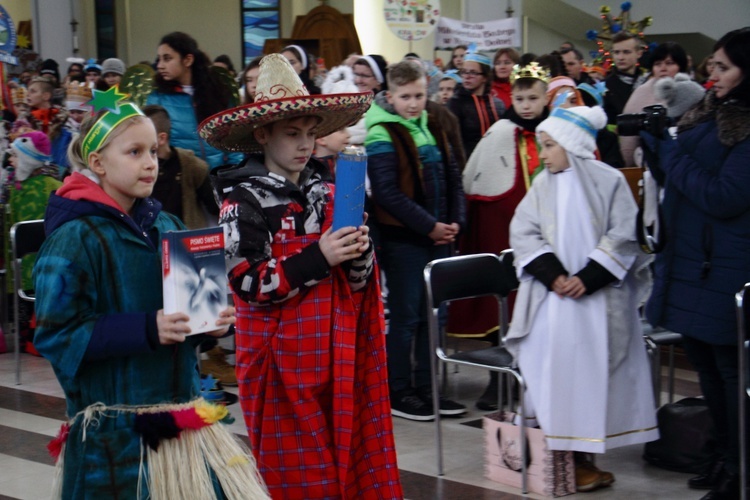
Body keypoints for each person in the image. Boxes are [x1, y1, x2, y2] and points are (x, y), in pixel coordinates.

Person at [32, 95, 268, 499]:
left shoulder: (169, 225)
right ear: (98, 164)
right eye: (134, 152)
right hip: (116, 440)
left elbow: (190, 320)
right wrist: (147, 328)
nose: (150, 163)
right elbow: (57, 334)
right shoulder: (73, 240)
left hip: (183, 424)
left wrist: (209, 323)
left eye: (153, 151)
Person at [200, 53, 402, 499]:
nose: (305, 144)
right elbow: (249, 284)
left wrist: (358, 252)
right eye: (292, 134)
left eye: (312, 133)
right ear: (262, 134)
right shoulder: (241, 201)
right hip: (278, 365)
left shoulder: (327, 189)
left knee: (343, 463)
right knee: (299, 479)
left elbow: (355, 285)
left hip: (332, 354)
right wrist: (321, 255)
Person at [507, 104, 658, 492]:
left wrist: (589, 276)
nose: (543, 155)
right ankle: (565, 461)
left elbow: (624, 234)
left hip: (597, 303)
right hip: (553, 306)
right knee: (560, 378)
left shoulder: (607, 180)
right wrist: (555, 276)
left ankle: (585, 458)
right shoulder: (543, 184)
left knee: (594, 379)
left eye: (549, 146)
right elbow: (523, 232)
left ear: (571, 145)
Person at [643, 27, 750, 500]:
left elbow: (724, 196)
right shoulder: (711, 111)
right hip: (692, 261)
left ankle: (739, 467)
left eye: (724, 66)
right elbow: (682, 173)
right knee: (706, 366)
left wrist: (669, 150)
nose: (713, 72)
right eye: (713, 63)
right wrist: (654, 144)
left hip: (724, 265)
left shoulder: (747, 127)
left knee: (730, 372)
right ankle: (721, 454)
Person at [365, 60, 467, 421]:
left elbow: (454, 175)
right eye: (405, 96)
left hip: (439, 235)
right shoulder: (380, 131)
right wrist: (430, 227)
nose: (413, 103)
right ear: (390, 96)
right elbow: (387, 194)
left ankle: (427, 386)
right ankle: (399, 389)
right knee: (407, 317)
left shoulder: (432, 123)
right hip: (405, 240)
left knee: (432, 317)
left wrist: (455, 221)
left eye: (419, 95)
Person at [447, 62, 550, 410]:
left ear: (545, 98)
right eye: (519, 97)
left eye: (532, 98)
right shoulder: (499, 133)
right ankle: (499, 377)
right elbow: (477, 179)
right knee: (500, 303)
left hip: (548, 236)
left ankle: (538, 378)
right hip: (500, 233)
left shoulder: (557, 133)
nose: (525, 105)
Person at [146, 32, 243, 169]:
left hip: (219, 176)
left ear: (188, 60)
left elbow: (232, 140)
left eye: (167, 59)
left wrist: (234, 172)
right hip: (181, 180)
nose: (160, 65)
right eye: (159, 59)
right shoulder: (157, 98)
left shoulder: (217, 92)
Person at [3, 131, 61, 355]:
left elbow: (10, 231)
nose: (11, 161)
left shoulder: (14, 193)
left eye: (15, 157)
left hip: (23, 273)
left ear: (27, 160)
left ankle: (28, 339)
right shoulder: (56, 186)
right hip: (54, 270)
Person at [142, 104, 218, 230]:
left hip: (187, 241)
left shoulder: (190, 165)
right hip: (152, 241)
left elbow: (215, 206)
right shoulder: (139, 167)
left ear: (161, 138)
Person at [620, 41, 690, 167]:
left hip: (686, 161)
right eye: (658, 64)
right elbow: (628, 141)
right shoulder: (642, 92)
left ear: (681, 66)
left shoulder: (691, 91)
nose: (663, 68)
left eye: (669, 63)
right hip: (647, 162)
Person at [448, 49, 505, 157]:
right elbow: (452, 142)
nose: (467, 76)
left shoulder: (498, 105)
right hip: (467, 164)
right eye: (464, 72)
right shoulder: (455, 104)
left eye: (473, 73)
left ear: (485, 77)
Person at [603, 32, 647, 124]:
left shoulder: (647, 82)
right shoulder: (604, 86)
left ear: (639, 53)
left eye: (626, 52)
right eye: (616, 52)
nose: (620, 57)